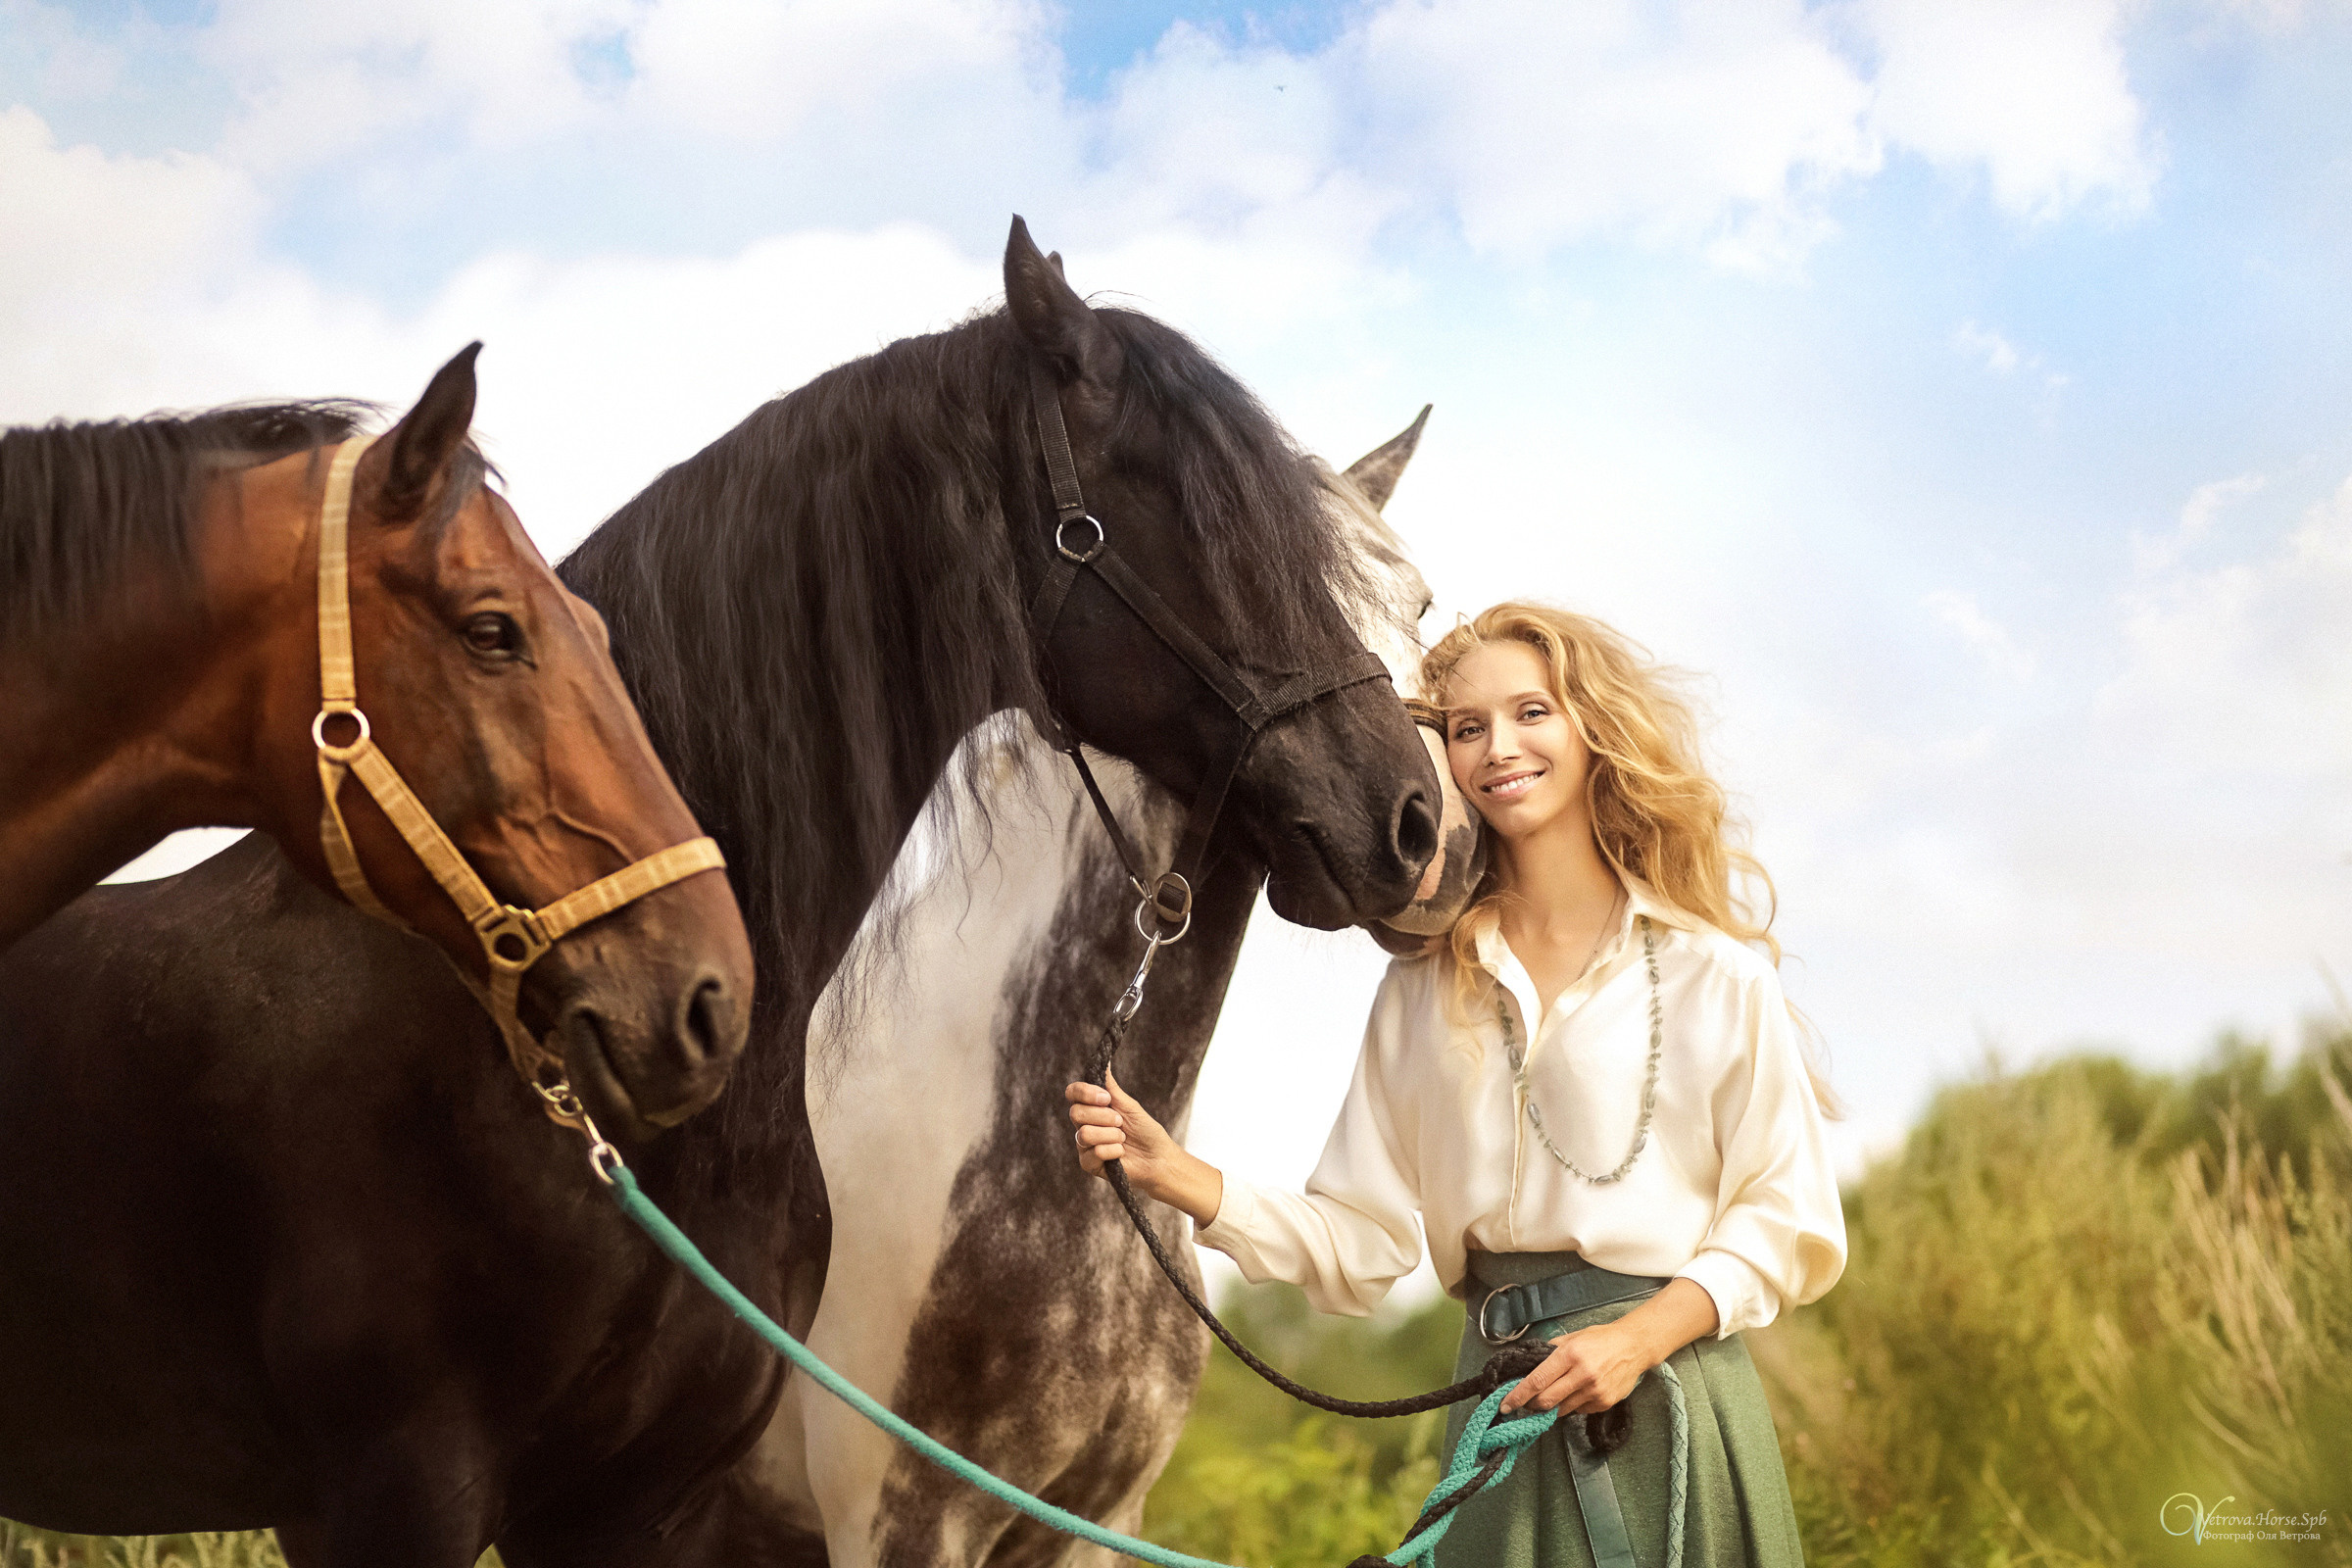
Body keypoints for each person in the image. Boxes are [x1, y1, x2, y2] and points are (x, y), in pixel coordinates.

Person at [1066, 601, 1847, 1567]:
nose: (1497, 747)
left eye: (1531, 712)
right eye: (1467, 727)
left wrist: (1639, 1338)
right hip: (1500, 1415)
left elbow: (1786, 1217)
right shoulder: (1419, 994)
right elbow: (1363, 1243)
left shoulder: (1712, 975)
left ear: (1591, 727)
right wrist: (1187, 1179)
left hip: (1666, 1408)